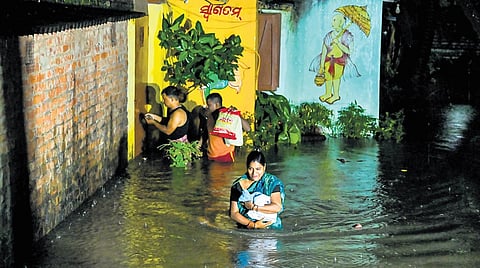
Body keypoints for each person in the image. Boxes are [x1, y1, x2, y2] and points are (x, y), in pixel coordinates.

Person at [309, 13, 360, 104]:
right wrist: (321, 66)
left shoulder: (347, 36)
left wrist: (338, 44)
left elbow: (349, 51)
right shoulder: (329, 35)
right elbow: (324, 50)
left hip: (338, 61)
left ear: (341, 22)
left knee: (336, 78)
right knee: (328, 77)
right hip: (328, 60)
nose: (332, 22)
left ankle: (335, 95)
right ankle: (328, 93)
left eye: (335, 20)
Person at [229, 150, 285, 229]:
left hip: (270, 226)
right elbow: (233, 213)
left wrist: (253, 207)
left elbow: (277, 207)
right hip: (246, 226)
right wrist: (252, 225)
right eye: (250, 169)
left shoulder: (271, 182)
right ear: (247, 167)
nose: (254, 173)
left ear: (264, 167)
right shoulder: (238, 185)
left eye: (258, 169)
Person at [205, 93, 250, 162]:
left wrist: (237, 115)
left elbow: (247, 128)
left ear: (217, 104)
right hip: (211, 155)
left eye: (209, 105)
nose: (207, 108)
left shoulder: (228, 115)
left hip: (225, 155)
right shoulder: (209, 116)